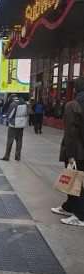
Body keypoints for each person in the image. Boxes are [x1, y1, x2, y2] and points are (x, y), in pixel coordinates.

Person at [51, 77, 84, 227]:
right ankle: (69, 207)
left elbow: (71, 132)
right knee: (74, 179)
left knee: (76, 181)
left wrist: (70, 155)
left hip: (76, 150)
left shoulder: (73, 105)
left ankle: (80, 216)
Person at [0, 94, 27, 161]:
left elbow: (10, 115)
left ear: (12, 99)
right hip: (22, 124)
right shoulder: (25, 103)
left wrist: (6, 117)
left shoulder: (14, 104)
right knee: (19, 140)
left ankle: (7, 156)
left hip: (14, 124)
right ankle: (17, 156)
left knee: (10, 140)